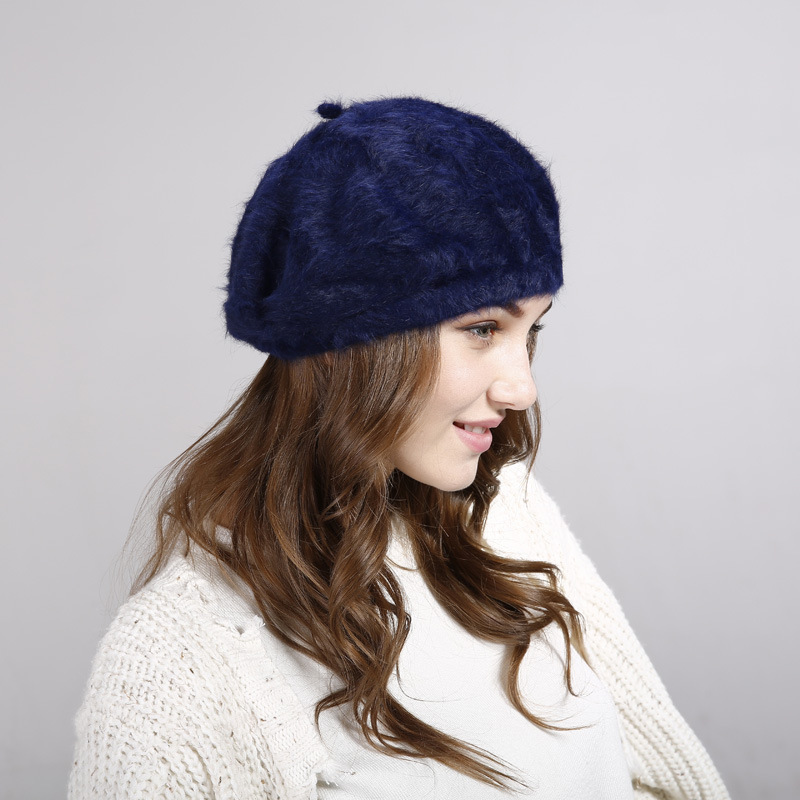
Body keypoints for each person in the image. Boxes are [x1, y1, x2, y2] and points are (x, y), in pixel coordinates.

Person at [68, 97, 730, 799]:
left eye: (531, 331)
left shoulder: (508, 512)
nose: (523, 388)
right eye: (482, 328)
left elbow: (672, 780)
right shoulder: (178, 658)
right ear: (342, 340)